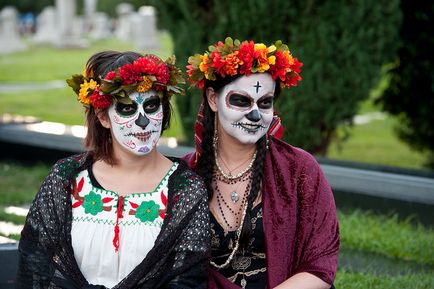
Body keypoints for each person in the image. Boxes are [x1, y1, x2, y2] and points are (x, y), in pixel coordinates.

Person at [16, 51, 210, 288]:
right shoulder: (66, 178)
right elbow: (35, 269)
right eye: (127, 109)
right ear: (103, 117)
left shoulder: (185, 189)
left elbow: (187, 280)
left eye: (151, 106)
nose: (143, 121)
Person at [183, 37, 340, 289]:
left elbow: (320, 263)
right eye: (241, 101)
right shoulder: (185, 175)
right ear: (213, 99)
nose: (255, 114)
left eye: (265, 103)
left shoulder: (299, 169)